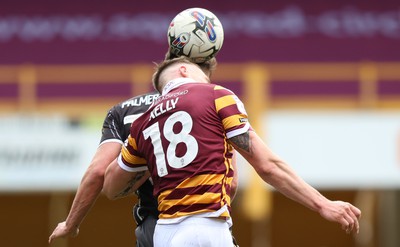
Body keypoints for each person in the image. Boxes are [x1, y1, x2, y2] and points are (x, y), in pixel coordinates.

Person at [103, 56, 362, 247]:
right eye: (203, 73)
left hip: (164, 234)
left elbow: (111, 187)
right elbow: (267, 166)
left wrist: (152, 156)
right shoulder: (216, 95)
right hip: (205, 228)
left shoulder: (142, 123)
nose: (208, 79)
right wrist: (323, 204)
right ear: (183, 70)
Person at [48, 57, 240, 246]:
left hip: (155, 225)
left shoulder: (124, 112)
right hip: (207, 219)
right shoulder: (210, 99)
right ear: (185, 70)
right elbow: (231, 185)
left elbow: (99, 172)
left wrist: (70, 223)